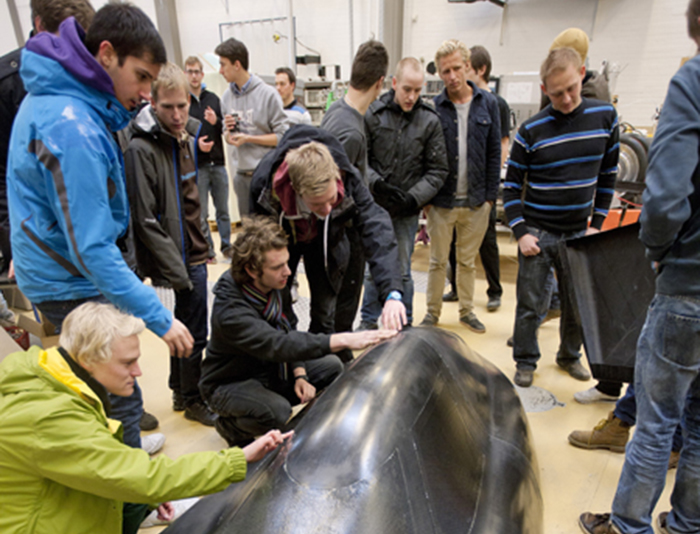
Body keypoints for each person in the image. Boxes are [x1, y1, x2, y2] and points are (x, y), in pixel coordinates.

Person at [6, 3, 193, 449]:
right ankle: (132, 502)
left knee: (99, 388)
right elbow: (92, 249)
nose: (148, 92)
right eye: (143, 76)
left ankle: (119, 461)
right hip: (71, 281)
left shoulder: (64, 99)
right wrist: (158, 317)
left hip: (57, 267)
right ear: (106, 53)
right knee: (119, 392)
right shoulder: (73, 127)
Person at [0, 301, 289, 534]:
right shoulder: (47, 417)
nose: (139, 372)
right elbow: (136, 477)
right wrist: (238, 459)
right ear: (88, 358)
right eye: (127, 363)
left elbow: (97, 462)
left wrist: (147, 498)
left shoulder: (62, 377)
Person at [579, 2, 700, 532]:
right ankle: (687, 522)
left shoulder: (692, 82)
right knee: (699, 426)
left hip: (688, 286)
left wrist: (655, 247)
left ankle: (627, 525)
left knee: (655, 424)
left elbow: (667, 195)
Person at [200, 217, 396, 446]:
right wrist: (344, 339)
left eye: (287, 263)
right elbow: (277, 343)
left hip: (269, 368)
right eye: (277, 267)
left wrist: (300, 374)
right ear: (251, 270)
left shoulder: (273, 284)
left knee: (332, 366)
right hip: (230, 382)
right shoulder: (231, 311)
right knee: (277, 412)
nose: (287, 271)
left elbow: (289, 329)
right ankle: (230, 427)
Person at [503, 47, 619, 388]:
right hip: (539, 233)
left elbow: (608, 176)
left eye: (571, 88)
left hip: (579, 234)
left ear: (581, 73)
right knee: (529, 304)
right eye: (557, 93)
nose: (567, 99)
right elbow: (510, 189)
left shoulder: (605, 118)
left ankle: (569, 356)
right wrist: (522, 232)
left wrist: (596, 226)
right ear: (544, 91)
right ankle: (525, 359)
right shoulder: (531, 131)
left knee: (578, 305)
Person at [251, 127, 406, 360]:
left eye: (332, 200)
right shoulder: (265, 184)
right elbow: (255, 245)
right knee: (280, 307)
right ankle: (294, 366)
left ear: (338, 178)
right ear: (296, 190)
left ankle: (325, 368)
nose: (326, 210)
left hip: (325, 241)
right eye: (316, 204)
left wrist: (392, 292)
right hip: (283, 240)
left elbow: (377, 229)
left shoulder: (348, 178)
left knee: (325, 312)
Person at [124, 63, 217, 427]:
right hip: (177, 256)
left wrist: (206, 243)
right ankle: (193, 399)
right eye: (168, 108)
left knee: (188, 328)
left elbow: (192, 199)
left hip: (193, 250)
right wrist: (177, 268)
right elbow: (145, 220)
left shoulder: (186, 138)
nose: (177, 115)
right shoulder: (141, 149)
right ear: (153, 103)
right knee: (194, 332)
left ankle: (181, 390)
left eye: (183, 106)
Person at [0, 0, 95, 278]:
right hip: (43, 246)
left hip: (90, 238)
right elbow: (3, 176)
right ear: (40, 26)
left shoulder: (86, 74)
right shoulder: (8, 84)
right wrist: (17, 247)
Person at [358, 57, 448, 329]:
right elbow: (361, 161)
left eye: (418, 90)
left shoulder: (429, 121)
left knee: (403, 270)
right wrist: (376, 184)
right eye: (407, 89)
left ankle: (403, 323)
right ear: (394, 83)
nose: (412, 96)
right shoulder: (373, 114)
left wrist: (413, 198)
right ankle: (369, 321)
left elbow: (438, 170)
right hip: (375, 206)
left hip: (407, 210)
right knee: (373, 269)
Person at [420, 39, 501, 333]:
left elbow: (495, 153)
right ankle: (432, 313)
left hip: (477, 202)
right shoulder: (434, 108)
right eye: (445, 71)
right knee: (437, 261)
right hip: (441, 202)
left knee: (467, 262)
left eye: (456, 68)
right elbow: (425, 156)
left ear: (467, 66)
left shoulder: (488, 104)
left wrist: (490, 198)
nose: (451, 76)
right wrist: (427, 200)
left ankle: (467, 311)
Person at [320, 39, 395, 334]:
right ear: (381, 83)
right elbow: (335, 196)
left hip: (340, 235)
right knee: (342, 309)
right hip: (344, 236)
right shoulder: (351, 132)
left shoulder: (337, 111)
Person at [443, 45, 512, 313]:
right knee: (453, 240)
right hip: (455, 188)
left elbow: (501, 145)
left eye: (464, 68)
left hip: (482, 187)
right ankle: (457, 288)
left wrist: (491, 188)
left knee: (487, 240)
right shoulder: (454, 102)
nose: (457, 75)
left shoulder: (496, 104)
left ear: (479, 69)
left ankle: (494, 290)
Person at [216, 37, 288, 217]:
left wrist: (249, 138)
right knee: (248, 233)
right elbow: (226, 133)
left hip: (265, 176)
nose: (220, 71)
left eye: (223, 65)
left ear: (237, 65)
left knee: (269, 233)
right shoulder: (226, 97)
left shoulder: (268, 95)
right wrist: (228, 135)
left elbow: (282, 136)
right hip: (241, 176)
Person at [184, 55, 232, 261]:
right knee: (201, 212)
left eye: (197, 72)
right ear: (185, 74)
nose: (194, 76)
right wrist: (197, 145)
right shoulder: (183, 102)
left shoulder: (213, 99)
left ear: (202, 74)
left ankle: (227, 246)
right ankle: (208, 250)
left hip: (218, 163)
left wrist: (217, 120)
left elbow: (228, 128)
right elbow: (181, 132)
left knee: (223, 210)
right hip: (198, 165)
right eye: (190, 72)